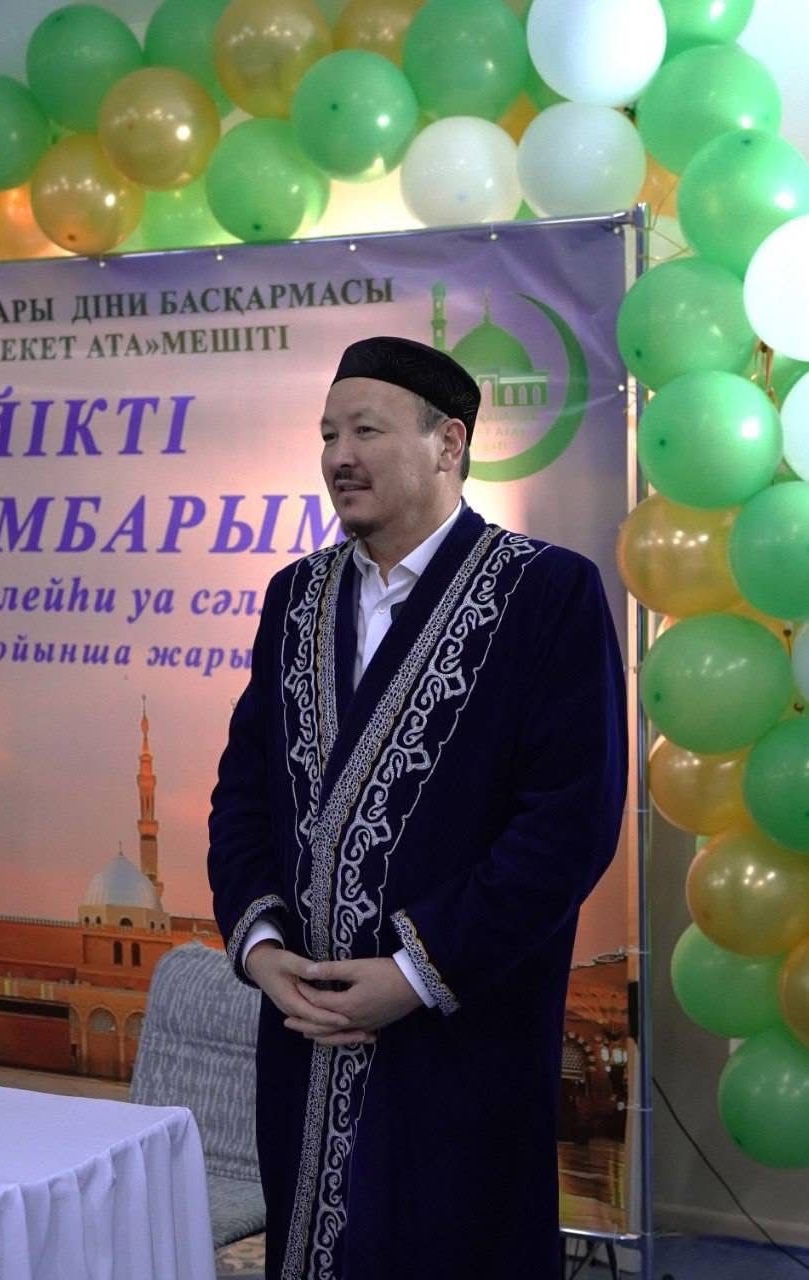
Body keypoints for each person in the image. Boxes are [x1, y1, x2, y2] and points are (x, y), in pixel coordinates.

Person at [207, 335, 627, 1280]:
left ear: (449, 443)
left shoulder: (545, 592)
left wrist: (411, 974)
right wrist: (263, 952)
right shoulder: (295, 596)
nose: (339, 456)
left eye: (366, 431)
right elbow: (244, 791)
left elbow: (569, 822)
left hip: (459, 1036)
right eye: (328, 435)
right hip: (304, 1030)